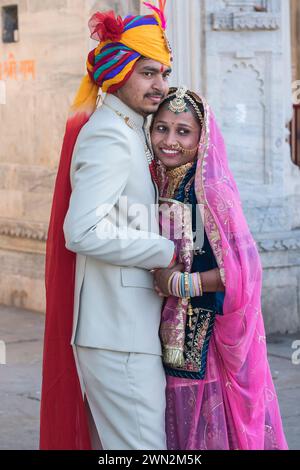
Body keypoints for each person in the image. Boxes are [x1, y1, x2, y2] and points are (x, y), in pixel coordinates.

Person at [40, 2, 179, 450]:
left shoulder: (133, 128)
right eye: (148, 73)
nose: (160, 85)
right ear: (118, 72)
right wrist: (165, 250)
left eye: (163, 73)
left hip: (128, 329)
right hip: (118, 334)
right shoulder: (109, 135)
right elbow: (80, 231)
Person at [151, 86, 288, 450]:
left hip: (207, 343)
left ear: (202, 137)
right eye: (161, 128)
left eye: (183, 131)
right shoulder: (162, 181)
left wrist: (178, 284)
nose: (169, 140)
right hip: (167, 338)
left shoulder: (210, 191)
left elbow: (243, 271)